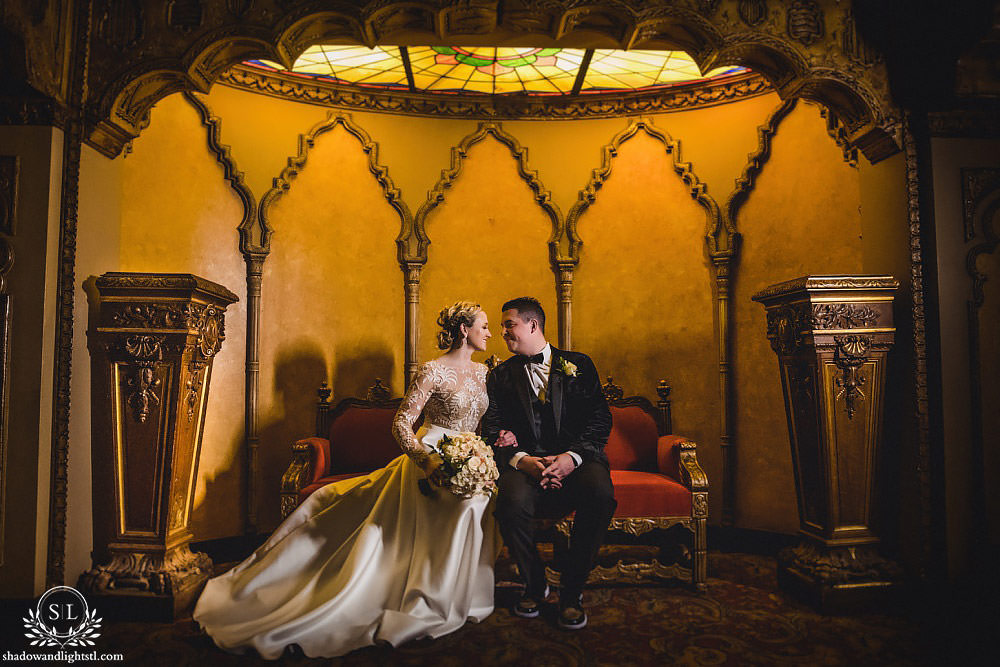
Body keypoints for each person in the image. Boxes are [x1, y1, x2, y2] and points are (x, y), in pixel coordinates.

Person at [193, 301, 501, 659]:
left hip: (469, 455)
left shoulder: (483, 374)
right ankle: (425, 593)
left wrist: (477, 454)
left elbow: (481, 422)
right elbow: (401, 424)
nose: (489, 332)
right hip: (430, 456)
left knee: (481, 503)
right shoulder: (433, 371)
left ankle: (460, 594)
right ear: (464, 329)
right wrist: (425, 460)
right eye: (483, 325)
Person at [483, 296, 616, 631]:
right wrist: (521, 459)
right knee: (510, 504)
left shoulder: (579, 365)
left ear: (532, 325)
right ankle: (534, 582)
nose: (502, 332)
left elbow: (600, 421)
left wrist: (571, 458)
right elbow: (490, 427)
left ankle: (572, 592)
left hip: (578, 460)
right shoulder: (498, 376)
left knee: (601, 495)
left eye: (508, 324)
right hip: (525, 465)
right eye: (501, 327)